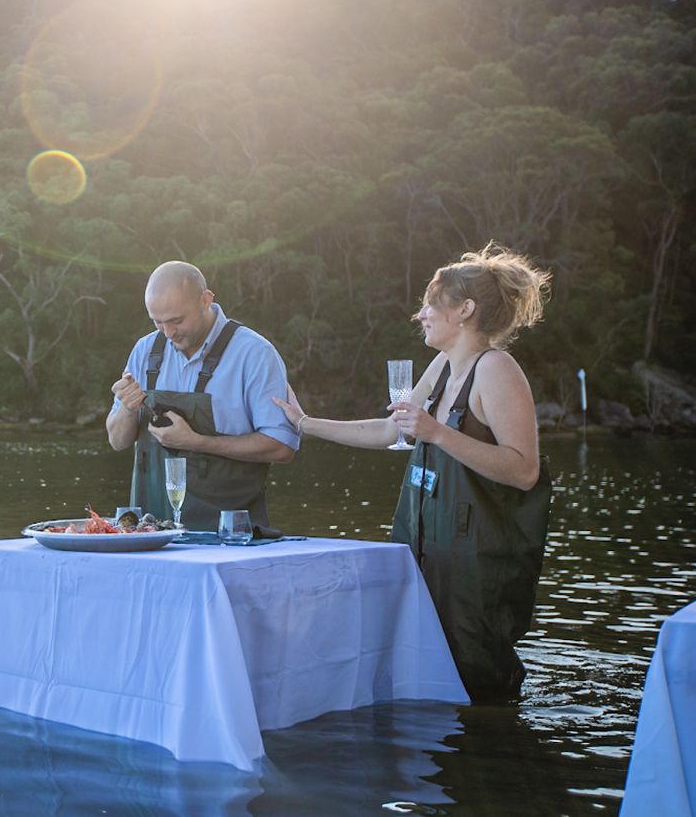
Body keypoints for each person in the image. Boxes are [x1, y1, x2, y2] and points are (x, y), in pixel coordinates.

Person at [272, 244, 553, 701]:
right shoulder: (444, 366)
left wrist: (437, 433)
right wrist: (306, 424)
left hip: (477, 566)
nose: (419, 314)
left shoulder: (497, 369)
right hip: (429, 553)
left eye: (429, 303)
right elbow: (389, 430)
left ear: (464, 310)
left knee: (479, 686)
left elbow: (524, 470)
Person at [106, 261, 297, 531]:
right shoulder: (145, 351)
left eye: (176, 321)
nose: (168, 333)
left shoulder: (255, 355)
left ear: (205, 300)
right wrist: (126, 408)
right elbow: (116, 441)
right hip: (149, 538)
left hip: (231, 538)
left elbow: (282, 447)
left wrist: (197, 442)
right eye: (157, 322)